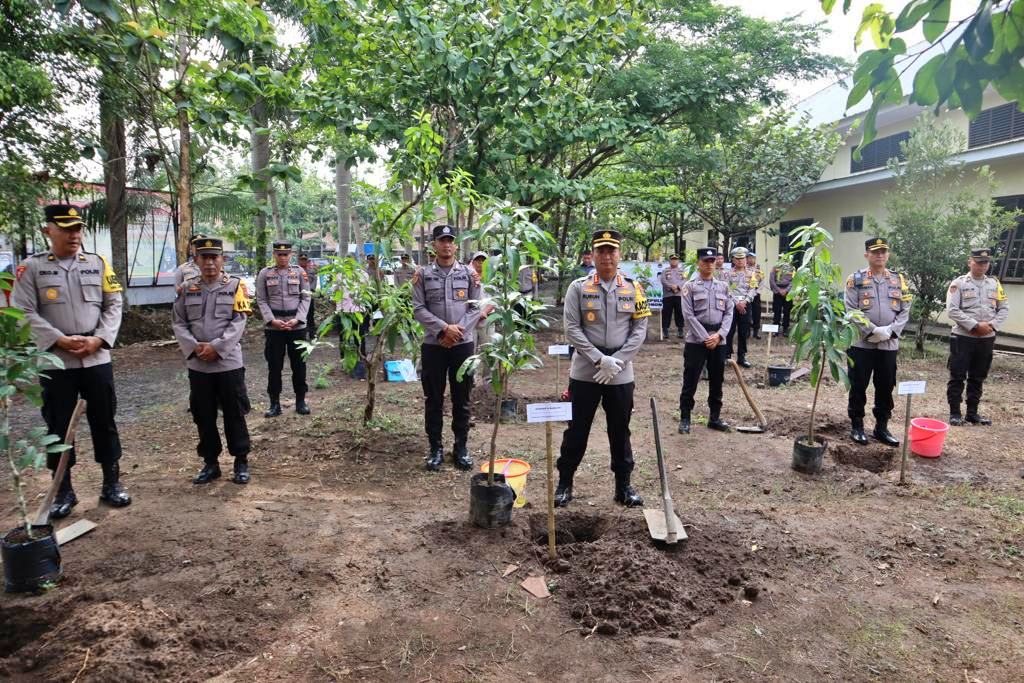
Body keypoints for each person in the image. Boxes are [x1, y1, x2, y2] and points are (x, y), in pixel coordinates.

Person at [12, 204, 132, 518]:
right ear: (47, 231)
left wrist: (99, 339)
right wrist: (57, 339)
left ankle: (111, 482)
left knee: (105, 421)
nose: (74, 234)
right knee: (58, 425)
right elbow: (22, 311)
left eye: (77, 228)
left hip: (96, 357)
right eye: (65, 228)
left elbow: (113, 303)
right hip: (56, 360)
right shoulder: (31, 269)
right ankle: (63, 490)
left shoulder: (98, 263)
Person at [555, 229, 650, 509]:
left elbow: (639, 329)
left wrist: (617, 360)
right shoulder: (579, 288)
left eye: (612, 251)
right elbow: (571, 328)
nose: (607, 256)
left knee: (620, 430)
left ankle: (624, 486)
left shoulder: (634, 287)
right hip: (586, 370)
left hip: (621, 371)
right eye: (601, 251)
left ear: (619, 255)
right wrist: (599, 359)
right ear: (593, 255)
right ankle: (565, 484)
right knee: (576, 429)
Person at [172, 237, 253, 485]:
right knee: (203, 414)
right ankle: (211, 463)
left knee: (234, 412)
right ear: (195, 260)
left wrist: (217, 348)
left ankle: (240, 460)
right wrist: (195, 348)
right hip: (198, 365)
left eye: (214, 257)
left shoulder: (236, 286)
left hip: (227, 363)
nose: (209, 262)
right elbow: (179, 322)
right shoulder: (187, 288)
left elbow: (239, 322)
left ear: (222, 259)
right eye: (204, 257)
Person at [412, 224, 482, 471]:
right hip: (434, 345)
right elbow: (418, 308)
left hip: (462, 346)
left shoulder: (469, 273)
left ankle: (460, 448)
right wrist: (443, 329)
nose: (447, 244)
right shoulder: (423, 274)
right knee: (433, 399)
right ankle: (435, 448)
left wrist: (456, 332)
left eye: (450, 240)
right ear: (434, 244)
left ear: (456, 244)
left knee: (462, 398)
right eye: (442, 240)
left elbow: (476, 307)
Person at [844, 237, 912, 447]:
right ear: (867, 255)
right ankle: (857, 425)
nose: (880, 255)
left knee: (885, 385)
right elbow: (851, 310)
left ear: (888, 255)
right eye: (875, 252)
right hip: (861, 344)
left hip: (888, 345)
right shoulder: (855, 279)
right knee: (858, 384)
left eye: (883, 251)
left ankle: (881, 427)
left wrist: (890, 332)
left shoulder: (899, 280)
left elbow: (905, 309)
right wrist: (872, 331)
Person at [945, 247, 1010, 426]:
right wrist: (974, 325)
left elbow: (1004, 308)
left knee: (978, 376)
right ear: (970, 262)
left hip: (986, 339)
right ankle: (955, 413)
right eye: (978, 262)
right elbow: (952, 310)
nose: (982, 266)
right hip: (963, 337)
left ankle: (972, 413)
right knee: (957, 375)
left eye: (985, 262)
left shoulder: (994, 284)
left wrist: (991, 326)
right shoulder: (958, 284)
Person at [678, 247, 734, 434]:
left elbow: (728, 312)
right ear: (698, 263)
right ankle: (685, 418)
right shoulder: (690, 286)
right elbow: (688, 315)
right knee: (691, 379)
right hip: (696, 340)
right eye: (705, 261)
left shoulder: (723, 287)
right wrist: (705, 338)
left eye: (712, 261)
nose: (709, 264)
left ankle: (715, 418)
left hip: (719, 340)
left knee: (717, 379)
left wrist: (719, 335)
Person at [256, 241, 312, 417]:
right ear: (274, 255)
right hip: (275, 328)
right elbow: (261, 299)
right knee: (274, 366)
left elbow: (306, 298)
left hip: (297, 326)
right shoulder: (265, 274)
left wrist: (298, 319)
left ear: (291, 255)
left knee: (299, 365)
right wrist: (271, 320)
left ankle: (301, 401)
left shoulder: (299, 272)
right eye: (279, 254)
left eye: (286, 254)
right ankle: (274, 404)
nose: (283, 257)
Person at [724, 247, 756, 368]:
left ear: (746, 260)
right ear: (733, 260)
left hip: (746, 305)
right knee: (730, 331)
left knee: (744, 332)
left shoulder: (752, 274)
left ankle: (741, 357)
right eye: (737, 259)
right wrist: (737, 302)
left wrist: (745, 301)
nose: (740, 261)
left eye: (742, 258)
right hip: (732, 305)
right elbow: (728, 290)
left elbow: (753, 289)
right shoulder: (728, 274)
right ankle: (727, 356)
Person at [659, 253, 686, 339]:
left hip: (679, 295)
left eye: (675, 259)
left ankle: (680, 330)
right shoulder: (665, 270)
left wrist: (677, 287)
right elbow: (663, 280)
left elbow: (685, 280)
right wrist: (672, 286)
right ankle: (665, 330)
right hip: (668, 295)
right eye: (672, 259)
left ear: (678, 261)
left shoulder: (682, 271)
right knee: (666, 313)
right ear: (670, 261)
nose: (674, 261)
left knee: (680, 312)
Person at [769, 256, 795, 335]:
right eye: (782, 258)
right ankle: (775, 329)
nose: (784, 260)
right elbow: (772, 280)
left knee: (787, 311)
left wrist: (786, 290)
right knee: (777, 311)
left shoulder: (792, 268)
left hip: (788, 293)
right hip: (777, 292)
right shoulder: (775, 268)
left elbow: (794, 281)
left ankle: (785, 329)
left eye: (786, 259)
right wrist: (779, 290)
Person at [298, 253, 319, 340]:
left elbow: (314, 283)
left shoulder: (311, 271)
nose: (303, 261)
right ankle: (301, 336)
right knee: (300, 316)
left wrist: (310, 291)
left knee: (310, 316)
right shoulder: (294, 271)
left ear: (307, 261)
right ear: (299, 260)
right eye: (301, 259)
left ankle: (312, 335)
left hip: (309, 297)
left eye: (304, 259)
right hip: (298, 298)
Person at [746, 252, 764, 339]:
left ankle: (756, 332)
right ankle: (747, 331)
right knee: (747, 313)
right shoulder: (744, 269)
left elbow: (762, 282)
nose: (750, 259)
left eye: (752, 258)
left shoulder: (759, 270)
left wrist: (758, 292)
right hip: (746, 294)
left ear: (755, 259)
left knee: (756, 313)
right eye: (749, 258)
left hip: (756, 294)